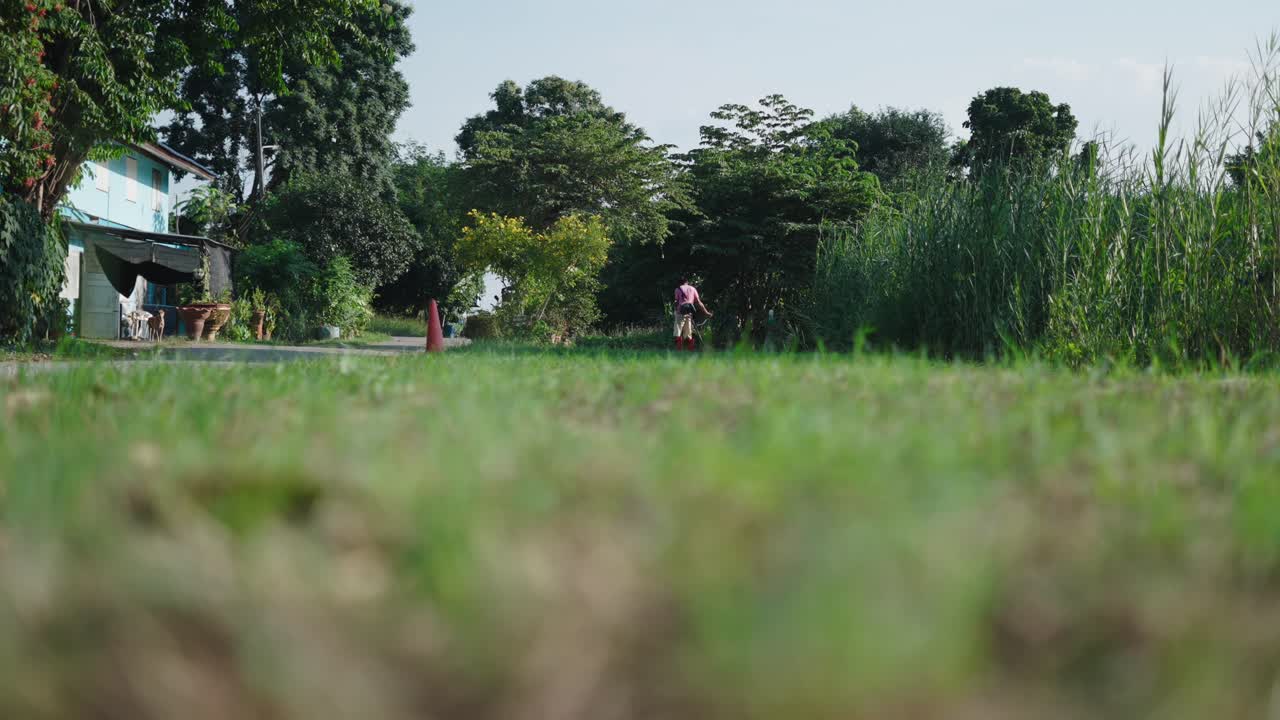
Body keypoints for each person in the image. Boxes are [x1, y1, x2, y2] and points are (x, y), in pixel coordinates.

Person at [674, 276, 711, 351]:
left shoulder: (677, 289)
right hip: (690, 312)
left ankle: (679, 350)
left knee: (677, 331)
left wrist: (675, 311)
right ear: (687, 282)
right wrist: (706, 312)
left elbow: (676, 302)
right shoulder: (693, 289)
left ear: (679, 283)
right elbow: (699, 302)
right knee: (688, 333)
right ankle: (691, 350)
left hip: (680, 312)